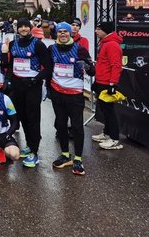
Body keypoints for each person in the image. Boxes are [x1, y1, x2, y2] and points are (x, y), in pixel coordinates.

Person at [47, 23, 94, 175]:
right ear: (56, 34)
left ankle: (78, 159)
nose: (62, 34)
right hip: (57, 92)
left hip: (74, 95)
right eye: (60, 31)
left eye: (65, 32)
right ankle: (65, 155)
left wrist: (86, 66)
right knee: (60, 125)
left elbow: (92, 71)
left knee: (77, 126)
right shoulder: (52, 49)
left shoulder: (80, 49)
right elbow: (48, 69)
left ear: (70, 33)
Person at [3, 17, 50, 168]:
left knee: (33, 118)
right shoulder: (13, 44)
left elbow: (48, 67)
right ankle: (29, 145)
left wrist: (36, 79)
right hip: (17, 85)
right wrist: (8, 80)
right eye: (21, 26)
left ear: (30, 28)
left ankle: (34, 152)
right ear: (17, 29)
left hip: (32, 86)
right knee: (21, 117)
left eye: (26, 26)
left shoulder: (38, 44)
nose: (23, 29)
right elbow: (11, 64)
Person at [91, 21, 124, 150]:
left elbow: (116, 65)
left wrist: (112, 84)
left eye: (98, 29)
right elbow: (102, 63)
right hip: (101, 81)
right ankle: (107, 133)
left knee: (109, 111)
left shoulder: (112, 45)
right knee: (104, 110)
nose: (96, 31)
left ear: (105, 30)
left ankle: (114, 138)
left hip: (107, 83)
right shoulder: (105, 43)